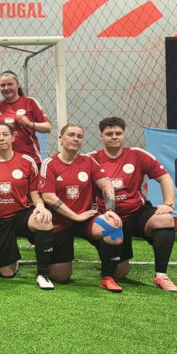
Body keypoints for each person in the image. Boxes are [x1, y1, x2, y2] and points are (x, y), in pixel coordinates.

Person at [90, 117, 177, 291]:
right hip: (107, 217)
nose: (114, 137)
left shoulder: (137, 155)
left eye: (118, 133)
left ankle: (161, 275)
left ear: (124, 135)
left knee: (165, 219)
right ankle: (106, 252)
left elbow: (165, 177)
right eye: (109, 134)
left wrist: (169, 204)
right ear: (101, 136)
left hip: (135, 213)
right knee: (120, 273)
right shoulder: (92, 159)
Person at [39, 124, 125, 292]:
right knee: (60, 276)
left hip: (86, 218)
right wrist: (75, 216)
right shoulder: (49, 163)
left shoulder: (88, 161)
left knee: (112, 226)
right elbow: (48, 196)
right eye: (71, 135)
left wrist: (110, 210)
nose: (76, 139)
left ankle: (107, 277)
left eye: (79, 136)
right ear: (61, 138)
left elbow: (107, 184)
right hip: (60, 222)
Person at [0, 123, 55, 289]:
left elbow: (35, 193)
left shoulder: (26, 161)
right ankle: (11, 255)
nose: (1, 138)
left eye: (5, 134)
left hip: (22, 215)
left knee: (44, 220)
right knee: (6, 272)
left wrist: (40, 206)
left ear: (13, 137)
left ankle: (43, 274)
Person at [0, 70, 51, 165]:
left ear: (18, 85)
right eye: (3, 85)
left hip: (30, 160)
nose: (6, 88)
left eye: (10, 84)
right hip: (6, 161)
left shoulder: (29, 102)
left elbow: (47, 128)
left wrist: (30, 124)